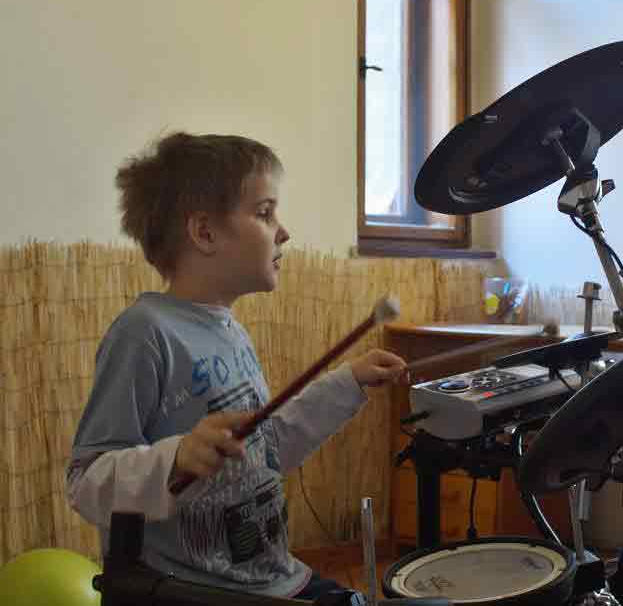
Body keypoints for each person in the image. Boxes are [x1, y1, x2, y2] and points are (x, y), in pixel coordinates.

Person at [66, 132, 406, 600]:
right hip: (199, 593)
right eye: (265, 213)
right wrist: (175, 458)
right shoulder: (144, 333)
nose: (283, 232)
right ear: (204, 233)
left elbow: (266, 451)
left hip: (274, 579)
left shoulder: (229, 330)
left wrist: (349, 382)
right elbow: (86, 481)